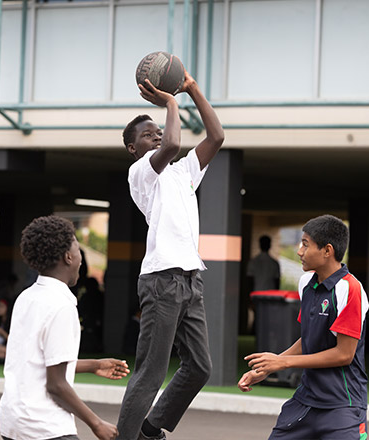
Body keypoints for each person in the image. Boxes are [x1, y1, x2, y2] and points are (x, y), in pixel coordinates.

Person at [117, 69, 224, 440]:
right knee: (150, 372)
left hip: (191, 280)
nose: (158, 135)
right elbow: (173, 145)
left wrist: (193, 88)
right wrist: (171, 102)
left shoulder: (183, 174)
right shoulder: (141, 173)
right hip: (161, 281)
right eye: (148, 135)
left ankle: (149, 428)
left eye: (158, 131)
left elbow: (217, 136)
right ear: (133, 148)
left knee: (200, 367)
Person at [238, 215, 369, 440]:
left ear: (327, 250)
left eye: (306, 244)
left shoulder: (350, 289)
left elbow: (344, 354)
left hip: (343, 407)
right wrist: (268, 367)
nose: (299, 251)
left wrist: (283, 362)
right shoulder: (306, 284)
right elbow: (309, 338)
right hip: (304, 401)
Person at [0, 215, 129, 440]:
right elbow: (56, 385)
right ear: (68, 257)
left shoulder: (26, 297)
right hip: (44, 427)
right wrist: (96, 424)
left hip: (13, 423)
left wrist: (93, 365)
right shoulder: (62, 306)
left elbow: (36, 361)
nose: (81, 258)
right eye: (78, 249)